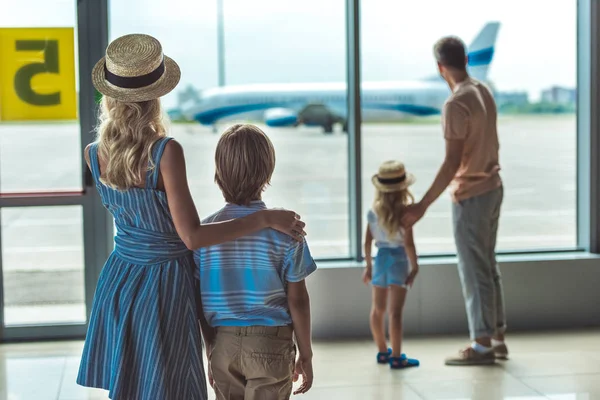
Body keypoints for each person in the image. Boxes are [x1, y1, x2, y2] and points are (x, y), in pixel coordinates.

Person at [76, 35, 306, 400]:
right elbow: (192, 237)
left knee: (135, 382)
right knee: (171, 383)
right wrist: (265, 219)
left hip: (120, 278)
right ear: (155, 96)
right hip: (163, 282)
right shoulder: (165, 151)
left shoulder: (92, 153)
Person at [402, 35, 506, 366]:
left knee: (474, 270)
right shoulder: (482, 91)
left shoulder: (456, 103)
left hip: (472, 194)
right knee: (487, 265)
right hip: (493, 187)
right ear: (465, 59)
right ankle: (496, 337)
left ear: (440, 67)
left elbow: (451, 163)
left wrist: (421, 206)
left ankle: (481, 345)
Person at [195, 124, 316, 400]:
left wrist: (210, 346)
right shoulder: (287, 231)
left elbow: (199, 301)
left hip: (222, 342)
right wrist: (305, 353)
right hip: (270, 344)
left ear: (218, 174)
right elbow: (298, 300)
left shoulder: (205, 232)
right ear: (267, 173)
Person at [363, 161, 420, 369]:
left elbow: (367, 241)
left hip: (380, 260)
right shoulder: (405, 214)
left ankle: (382, 351)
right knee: (395, 313)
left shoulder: (373, 213)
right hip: (399, 262)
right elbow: (409, 244)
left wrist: (369, 266)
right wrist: (415, 267)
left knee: (377, 309)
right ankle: (397, 356)